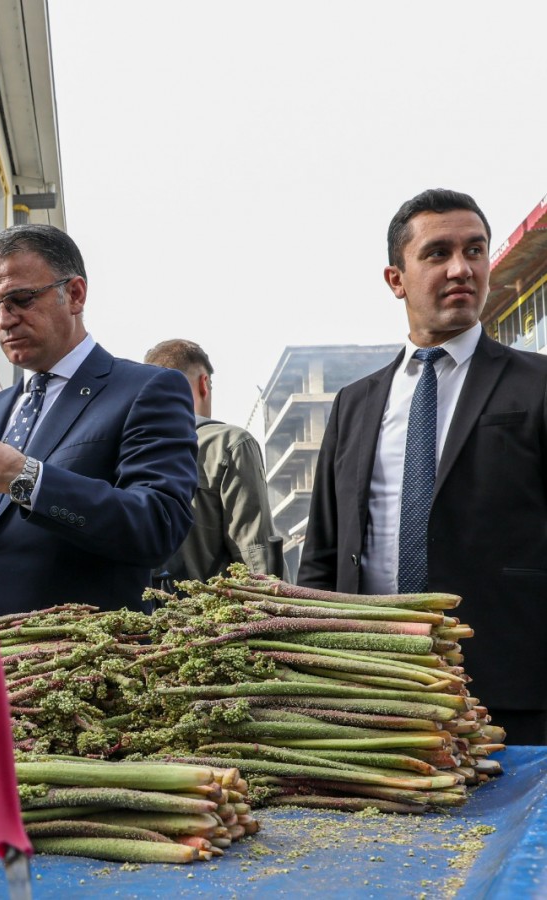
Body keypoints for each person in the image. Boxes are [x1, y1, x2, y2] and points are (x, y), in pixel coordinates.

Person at [299, 188, 547, 745]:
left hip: (512, 688)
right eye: (438, 253)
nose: (462, 268)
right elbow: (322, 554)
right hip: (376, 694)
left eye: (475, 250)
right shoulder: (355, 403)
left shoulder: (537, 384)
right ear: (396, 279)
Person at [0, 224, 198, 631]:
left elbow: (157, 525)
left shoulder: (145, 390)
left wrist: (22, 477)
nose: (4, 320)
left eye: (20, 299)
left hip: (75, 671)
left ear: (75, 294)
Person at [144, 338, 278, 583]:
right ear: (204, 383)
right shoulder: (229, 443)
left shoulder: (126, 448)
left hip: (132, 617)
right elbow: (254, 552)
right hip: (211, 616)